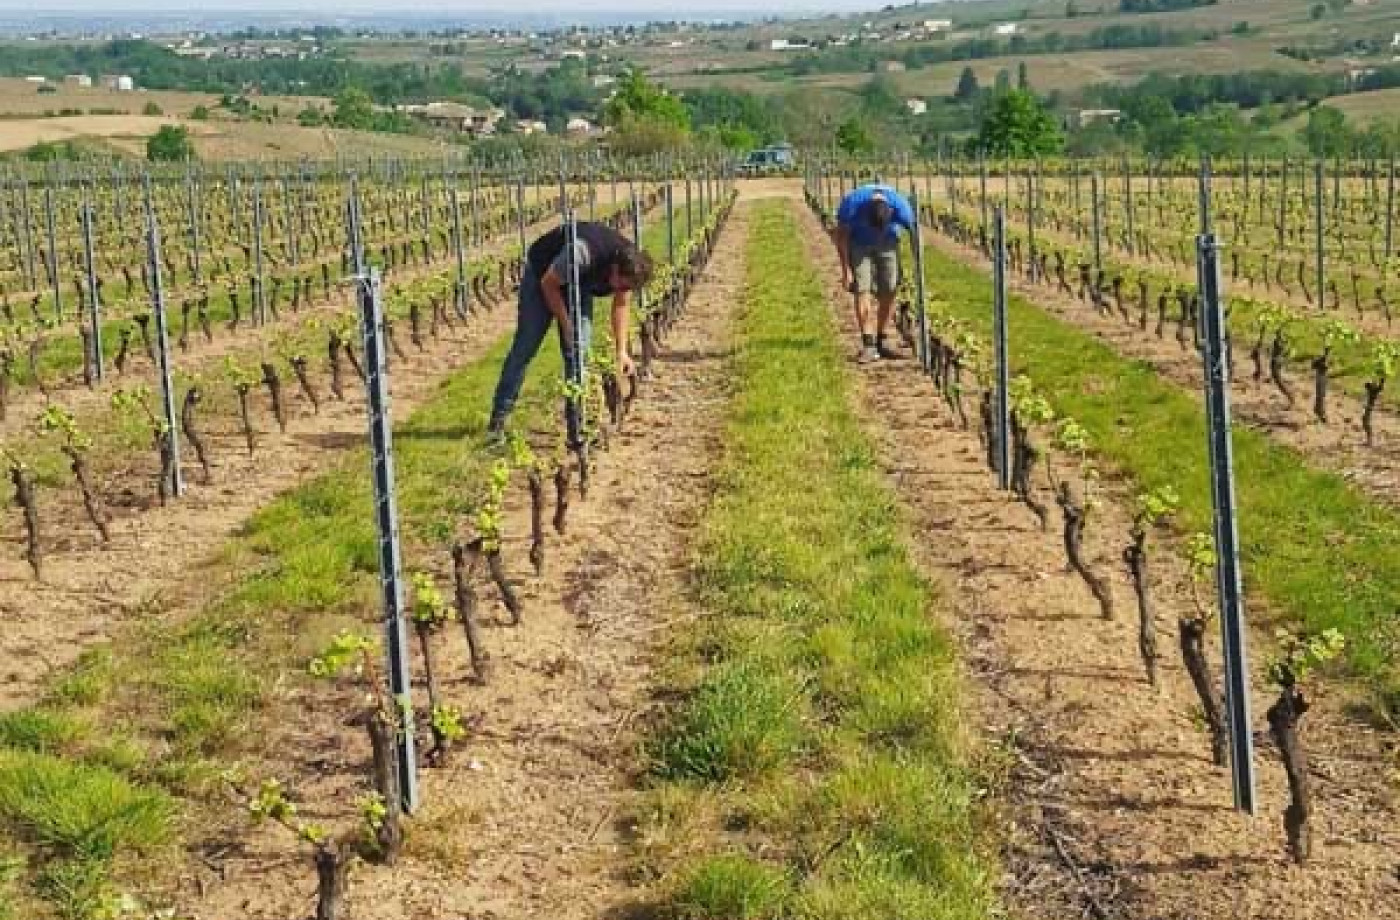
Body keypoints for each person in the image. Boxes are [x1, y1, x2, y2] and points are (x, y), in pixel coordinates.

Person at [487, 220, 654, 440]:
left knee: (578, 352)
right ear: (614, 269)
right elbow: (549, 283)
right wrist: (566, 324)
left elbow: (621, 305)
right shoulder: (581, 253)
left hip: (580, 284)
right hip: (543, 276)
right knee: (525, 347)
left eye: (627, 288)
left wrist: (621, 351)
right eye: (621, 285)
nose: (621, 290)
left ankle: (576, 426)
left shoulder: (630, 267)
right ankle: (498, 420)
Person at [833, 182, 917, 363]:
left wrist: (918, 266)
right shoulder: (851, 204)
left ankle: (882, 340)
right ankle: (868, 344)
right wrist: (846, 270)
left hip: (888, 244)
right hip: (859, 244)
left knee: (890, 288)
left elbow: (915, 235)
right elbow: (841, 237)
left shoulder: (901, 208)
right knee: (861, 289)